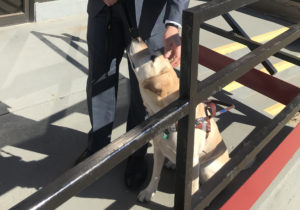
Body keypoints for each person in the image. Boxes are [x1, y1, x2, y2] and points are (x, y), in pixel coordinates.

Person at [76, 0, 189, 189]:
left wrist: (173, 24)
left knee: (145, 90)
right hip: (103, 8)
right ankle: (98, 146)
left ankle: (136, 150)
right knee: (99, 80)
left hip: (148, 15)